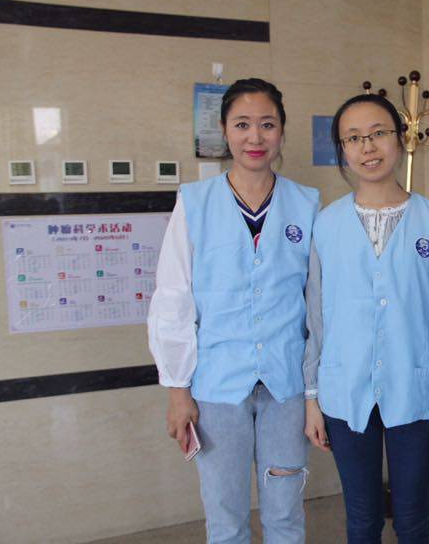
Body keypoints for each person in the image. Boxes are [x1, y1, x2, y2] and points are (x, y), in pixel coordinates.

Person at [148, 78, 319, 544]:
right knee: (225, 519)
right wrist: (178, 390)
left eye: (267, 124)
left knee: (285, 515)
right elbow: (173, 298)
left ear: (281, 131)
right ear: (224, 130)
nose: (255, 137)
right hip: (217, 387)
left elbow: (316, 303)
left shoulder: (307, 204)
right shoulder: (194, 202)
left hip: (285, 385)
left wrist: (313, 390)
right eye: (242, 125)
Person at [302, 93, 429, 544]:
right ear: (342, 149)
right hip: (344, 389)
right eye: (353, 138)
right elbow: (316, 317)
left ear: (400, 138)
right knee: (362, 520)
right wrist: (312, 398)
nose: (367, 147)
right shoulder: (326, 225)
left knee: (412, 519)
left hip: (417, 388)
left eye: (378, 133)